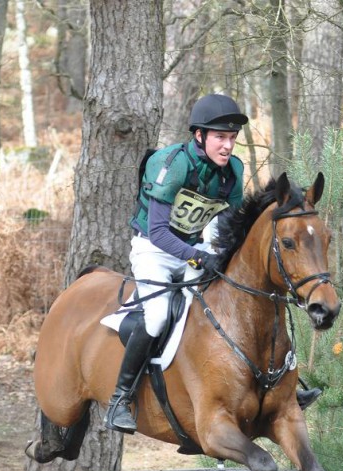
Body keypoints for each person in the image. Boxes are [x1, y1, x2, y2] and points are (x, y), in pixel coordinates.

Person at [105, 93, 321, 434]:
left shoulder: (232, 169)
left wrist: (221, 257)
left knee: (235, 299)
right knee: (159, 313)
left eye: (232, 138)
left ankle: (286, 385)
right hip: (154, 249)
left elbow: (228, 222)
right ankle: (121, 397)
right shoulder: (173, 165)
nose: (228, 146)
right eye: (220, 137)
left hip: (196, 243)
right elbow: (159, 232)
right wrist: (199, 256)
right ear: (199, 135)